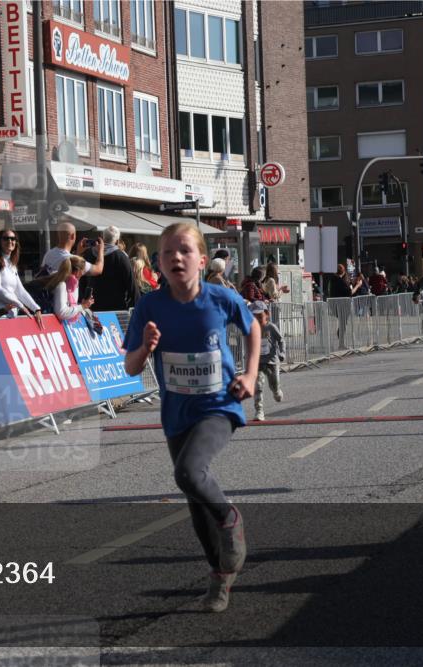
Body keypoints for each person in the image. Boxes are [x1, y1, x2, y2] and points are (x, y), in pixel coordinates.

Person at [123, 222, 260, 614]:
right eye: (167, 252)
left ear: (202, 259)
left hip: (218, 405)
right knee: (195, 503)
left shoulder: (220, 298)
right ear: (159, 263)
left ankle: (230, 516)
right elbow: (131, 366)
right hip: (176, 412)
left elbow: (253, 328)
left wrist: (250, 374)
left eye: (184, 250)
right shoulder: (150, 306)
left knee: (188, 473)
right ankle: (220, 578)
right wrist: (146, 348)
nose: (176, 258)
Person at [0, 229, 43, 324]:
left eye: (13, 238)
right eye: (6, 238)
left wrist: (36, 308)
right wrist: (19, 304)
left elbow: (20, 291)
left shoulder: (12, 265)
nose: (10, 241)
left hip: (11, 316)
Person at [82, 225, 139, 312]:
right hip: (115, 309)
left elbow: (82, 281)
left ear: (102, 238)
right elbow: (132, 286)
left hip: (92, 307)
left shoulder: (89, 254)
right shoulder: (121, 257)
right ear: (117, 241)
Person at [248, 301, 285, 422]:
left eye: (260, 316)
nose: (257, 319)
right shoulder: (251, 328)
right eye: (254, 317)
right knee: (258, 386)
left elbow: (281, 340)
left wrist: (282, 353)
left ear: (267, 314)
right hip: (258, 362)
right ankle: (259, 411)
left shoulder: (271, 327)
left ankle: (276, 391)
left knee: (274, 386)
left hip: (272, 362)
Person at [39, 219, 104, 276]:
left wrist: (78, 252)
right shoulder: (72, 259)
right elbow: (98, 270)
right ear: (73, 236)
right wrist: (101, 250)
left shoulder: (48, 254)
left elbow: (73, 264)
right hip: (67, 290)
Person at [44, 256, 95, 321]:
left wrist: (83, 304)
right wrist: (82, 306)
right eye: (84, 271)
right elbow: (61, 313)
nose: (83, 274)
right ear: (78, 272)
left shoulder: (74, 285)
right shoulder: (61, 285)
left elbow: (70, 307)